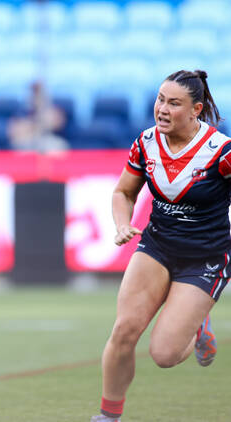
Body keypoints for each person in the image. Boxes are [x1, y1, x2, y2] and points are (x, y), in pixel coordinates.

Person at [91, 70, 227, 422]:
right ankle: (108, 417)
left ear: (196, 109)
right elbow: (123, 192)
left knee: (164, 354)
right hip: (157, 246)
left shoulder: (221, 152)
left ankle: (199, 323)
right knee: (124, 331)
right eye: (160, 100)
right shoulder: (146, 143)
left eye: (174, 103)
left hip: (206, 257)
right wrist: (122, 223)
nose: (162, 109)